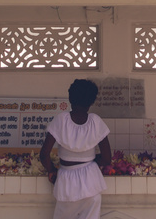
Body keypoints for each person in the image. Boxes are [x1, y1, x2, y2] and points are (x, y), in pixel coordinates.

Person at [40, 79, 112, 219]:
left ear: (70, 98)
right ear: (92, 101)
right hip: (92, 181)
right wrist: (90, 160)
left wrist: (51, 171)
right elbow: (107, 158)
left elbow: (44, 154)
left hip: (66, 182)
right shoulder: (96, 121)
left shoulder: (61, 119)